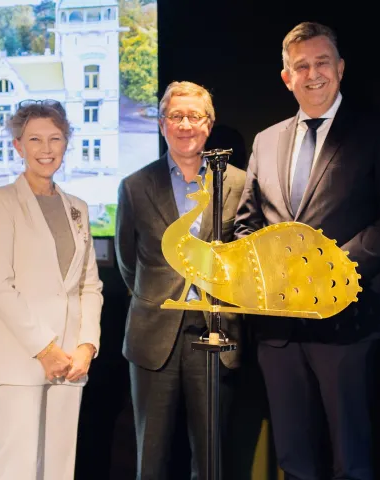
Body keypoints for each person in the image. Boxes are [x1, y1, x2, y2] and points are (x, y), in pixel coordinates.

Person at [234, 22, 380, 480]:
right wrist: (272, 274)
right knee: (293, 459)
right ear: (286, 77)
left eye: (322, 63)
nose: (312, 74)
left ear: (340, 68)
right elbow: (246, 224)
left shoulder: (379, 132)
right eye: (301, 66)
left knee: (352, 461)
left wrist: (325, 270)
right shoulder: (266, 140)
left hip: (350, 323)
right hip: (278, 328)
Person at [115, 81, 246, 479]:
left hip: (216, 335)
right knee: (151, 460)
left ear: (209, 124)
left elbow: (246, 256)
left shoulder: (239, 184)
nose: (185, 125)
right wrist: (160, 294)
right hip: (154, 337)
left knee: (211, 461)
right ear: (161, 124)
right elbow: (127, 261)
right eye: (176, 116)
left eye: (194, 116)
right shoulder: (135, 186)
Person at [0, 99, 104, 479]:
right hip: (19, 356)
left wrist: (86, 345)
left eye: (55, 138)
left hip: (70, 360)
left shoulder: (77, 207)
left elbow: (89, 284)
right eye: (35, 139)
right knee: (17, 468)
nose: (46, 149)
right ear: (18, 145)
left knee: (58, 467)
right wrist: (45, 349)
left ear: (66, 143)